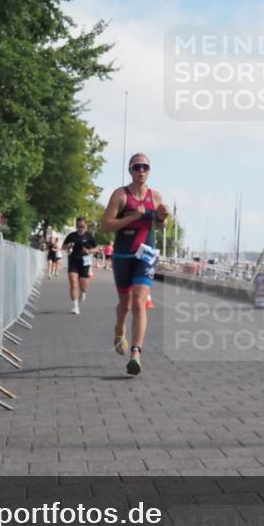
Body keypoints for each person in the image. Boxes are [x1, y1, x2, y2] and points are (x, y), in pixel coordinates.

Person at [102, 153, 168, 375]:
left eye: (145, 167)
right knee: (126, 304)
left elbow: (160, 225)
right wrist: (131, 217)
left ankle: (136, 353)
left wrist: (161, 218)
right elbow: (106, 225)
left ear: (149, 171)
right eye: (137, 167)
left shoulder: (155, 196)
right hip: (122, 255)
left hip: (145, 255)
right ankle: (119, 329)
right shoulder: (121, 195)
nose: (141, 171)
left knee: (139, 302)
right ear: (130, 170)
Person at [62, 217, 98, 314]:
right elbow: (63, 246)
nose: (80, 228)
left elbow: (97, 248)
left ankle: (83, 292)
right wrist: (68, 246)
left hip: (85, 262)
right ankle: (75, 306)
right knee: (73, 283)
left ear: (85, 226)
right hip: (73, 261)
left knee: (84, 285)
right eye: (78, 226)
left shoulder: (89, 237)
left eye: (82, 226)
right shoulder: (72, 236)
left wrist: (89, 251)